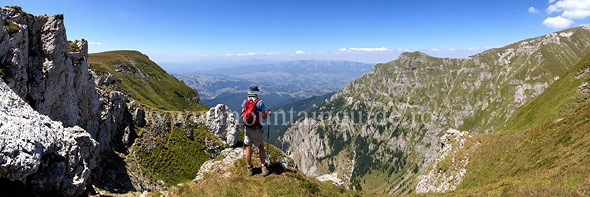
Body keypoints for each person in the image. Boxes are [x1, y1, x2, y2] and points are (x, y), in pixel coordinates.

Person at [241, 84, 271, 177]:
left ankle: (249, 168)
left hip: (247, 128)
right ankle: (263, 167)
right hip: (256, 128)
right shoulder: (259, 102)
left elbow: (242, 115)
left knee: (248, 147)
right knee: (261, 147)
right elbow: (264, 117)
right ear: (256, 92)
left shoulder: (245, 101)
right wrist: (269, 114)